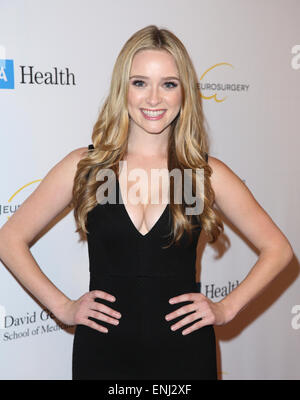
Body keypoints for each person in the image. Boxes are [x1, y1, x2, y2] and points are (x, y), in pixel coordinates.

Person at [0, 25, 293, 380]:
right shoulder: (88, 167)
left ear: (184, 92)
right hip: (102, 353)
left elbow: (278, 249)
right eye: (140, 83)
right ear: (122, 90)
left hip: (185, 354)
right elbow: (9, 238)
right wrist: (62, 306)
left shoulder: (202, 173)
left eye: (169, 84)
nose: (154, 98)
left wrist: (227, 308)